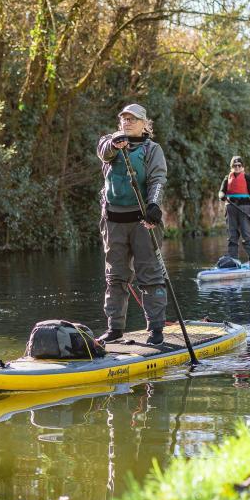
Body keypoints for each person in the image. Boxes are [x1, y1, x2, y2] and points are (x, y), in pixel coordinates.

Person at [96, 103, 167, 345]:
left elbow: (158, 179)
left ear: (145, 123)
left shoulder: (152, 149)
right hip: (114, 221)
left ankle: (155, 329)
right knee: (115, 278)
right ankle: (114, 329)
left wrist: (154, 206)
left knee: (150, 276)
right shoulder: (109, 143)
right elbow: (104, 152)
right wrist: (115, 143)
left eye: (133, 119)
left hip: (143, 221)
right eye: (124, 119)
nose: (127, 122)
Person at [217, 156, 250, 267]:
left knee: (246, 235)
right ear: (231, 167)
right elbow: (221, 191)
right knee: (232, 236)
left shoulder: (247, 178)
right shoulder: (227, 179)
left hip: (245, 209)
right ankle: (233, 260)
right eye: (234, 166)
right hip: (231, 209)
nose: (237, 167)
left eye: (239, 165)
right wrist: (221, 195)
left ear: (242, 167)